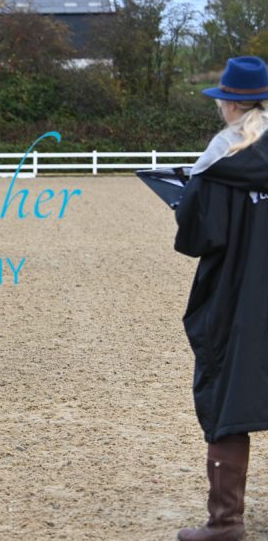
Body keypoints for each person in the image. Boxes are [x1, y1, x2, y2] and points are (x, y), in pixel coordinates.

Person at [173, 56, 268, 540]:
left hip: (241, 293)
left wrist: (185, 203)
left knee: (228, 392)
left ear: (229, 104)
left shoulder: (219, 160)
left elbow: (197, 238)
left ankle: (226, 522)